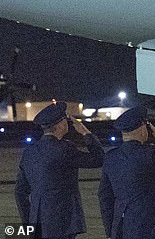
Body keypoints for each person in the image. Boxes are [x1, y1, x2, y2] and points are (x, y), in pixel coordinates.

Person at [15, 101, 104, 239]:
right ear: (61, 124)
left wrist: (29, 223)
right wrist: (86, 133)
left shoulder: (29, 152)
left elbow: (20, 192)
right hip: (62, 223)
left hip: (37, 222)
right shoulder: (65, 149)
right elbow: (99, 159)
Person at [98, 106, 155, 239]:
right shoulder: (149, 153)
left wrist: (111, 231)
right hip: (152, 227)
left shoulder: (111, 157)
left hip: (123, 227)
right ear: (141, 129)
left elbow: (104, 197)